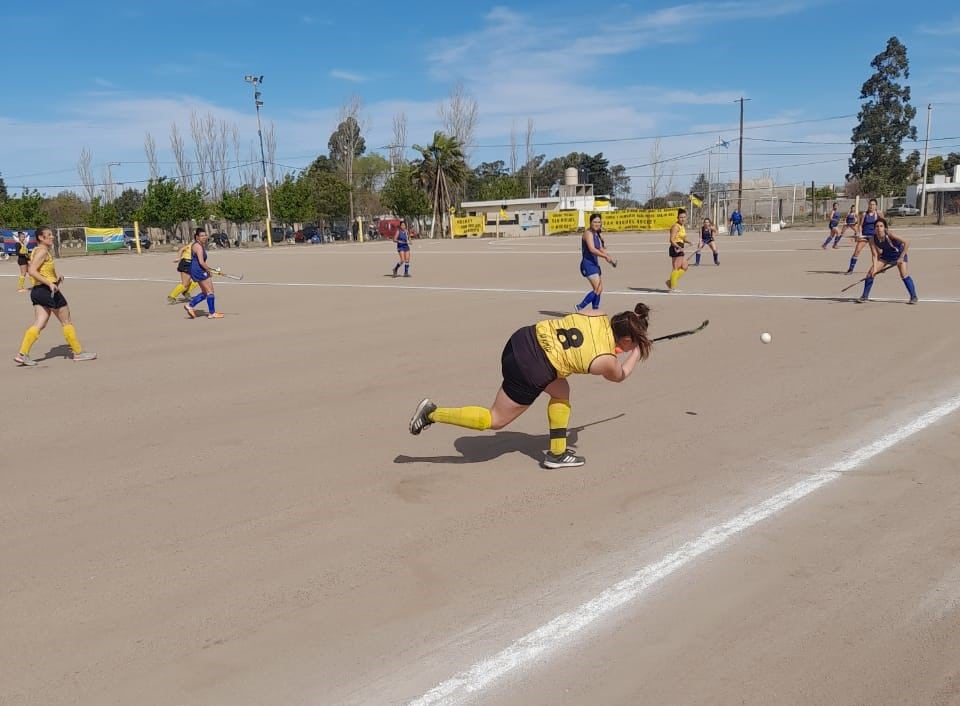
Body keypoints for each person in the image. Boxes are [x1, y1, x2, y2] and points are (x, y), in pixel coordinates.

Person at [407, 303, 653, 469]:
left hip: (521, 339)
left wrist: (622, 347)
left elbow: (588, 340)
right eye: (635, 343)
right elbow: (620, 374)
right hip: (531, 368)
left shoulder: (596, 313)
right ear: (629, 340)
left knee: (561, 390)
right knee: (495, 420)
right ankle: (432, 413)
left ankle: (557, 453)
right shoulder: (606, 361)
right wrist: (635, 355)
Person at [13, 226, 96, 366]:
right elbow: (32, 271)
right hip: (47, 291)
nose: (52, 237)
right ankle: (78, 352)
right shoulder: (43, 251)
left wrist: (56, 279)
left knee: (40, 323)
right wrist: (50, 284)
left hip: (38, 291)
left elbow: (41, 271)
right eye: (49, 235)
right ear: (41, 237)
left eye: (52, 235)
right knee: (66, 321)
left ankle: (22, 354)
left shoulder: (37, 251)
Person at [856, 218, 918, 304]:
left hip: (898, 254)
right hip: (886, 256)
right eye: (877, 226)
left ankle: (913, 296)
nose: (879, 228)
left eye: (881, 226)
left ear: (885, 228)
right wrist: (874, 268)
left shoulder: (890, 235)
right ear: (874, 228)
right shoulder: (872, 239)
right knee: (870, 273)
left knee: (903, 274)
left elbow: (907, 242)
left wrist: (901, 257)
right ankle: (864, 296)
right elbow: (874, 255)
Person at [575, 213, 616, 312]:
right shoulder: (588, 233)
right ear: (590, 222)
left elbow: (600, 248)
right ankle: (579, 307)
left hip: (594, 264)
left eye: (598, 222)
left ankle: (595, 310)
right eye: (595, 222)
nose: (597, 224)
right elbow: (592, 249)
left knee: (599, 288)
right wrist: (605, 256)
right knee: (598, 288)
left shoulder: (596, 234)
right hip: (588, 264)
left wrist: (608, 257)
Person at [183, 228, 224, 319]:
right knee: (210, 291)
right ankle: (212, 313)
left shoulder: (198, 245)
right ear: (197, 237)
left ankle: (190, 306)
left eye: (205, 235)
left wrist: (209, 270)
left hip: (197, 269)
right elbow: (201, 262)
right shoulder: (198, 246)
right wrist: (209, 270)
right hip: (199, 270)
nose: (204, 237)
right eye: (201, 236)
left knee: (205, 292)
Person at [848, 198, 883, 274]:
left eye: (873, 204)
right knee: (857, 251)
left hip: (873, 236)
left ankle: (879, 267)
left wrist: (882, 233)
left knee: (877, 252)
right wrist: (859, 233)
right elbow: (860, 225)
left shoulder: (878, 213)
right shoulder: (864, 214)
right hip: (864, 235)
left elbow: (883, 224)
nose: (871, 206)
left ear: (876, 206)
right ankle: (850, 269)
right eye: (870, 204)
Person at [167, 236, 199, 303]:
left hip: (193, 264)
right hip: (186, 264)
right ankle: (172, 296)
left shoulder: (200, 246)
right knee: (185, 284)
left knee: (198, 280)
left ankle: (186, 292)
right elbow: (181, 249)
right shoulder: (193, 244)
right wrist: (179, 258)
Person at [666, 208, 688, 291]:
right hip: (675, 247)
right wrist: (678, 247)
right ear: (677, 218)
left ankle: (671, 281)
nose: (683, 219)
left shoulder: (682, 226)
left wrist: (688, 241)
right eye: (681, 217)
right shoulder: (675, 227)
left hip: (680, 246)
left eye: (684, 217)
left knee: (685, 266)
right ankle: (672, 287)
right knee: (676, 267)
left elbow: (682, 238)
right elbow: (671, 240)